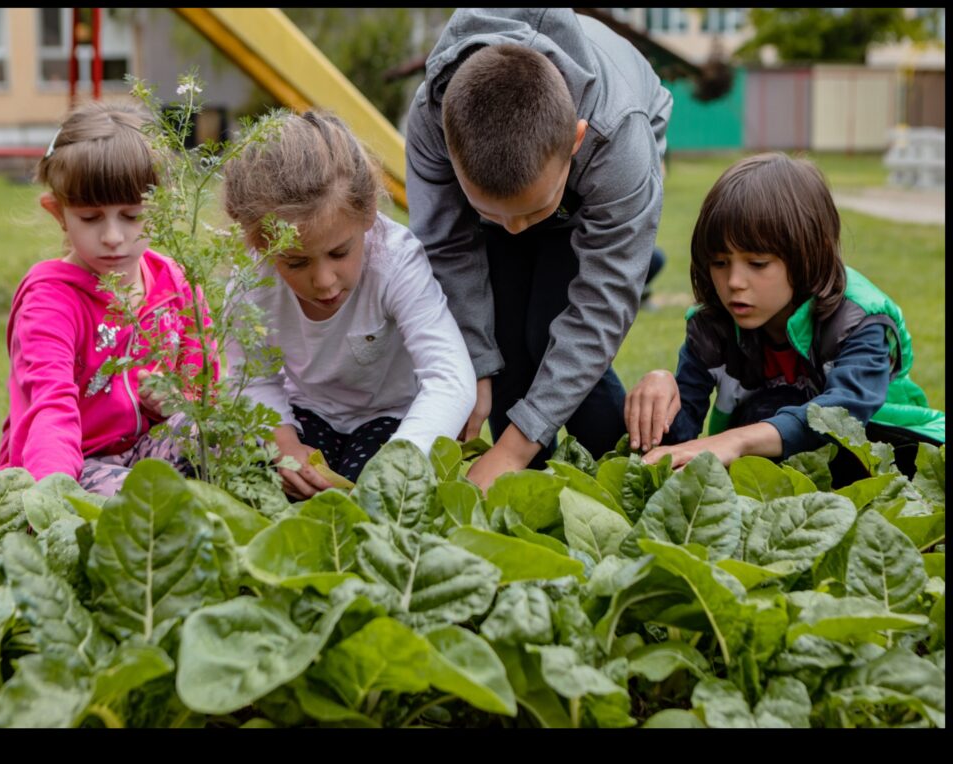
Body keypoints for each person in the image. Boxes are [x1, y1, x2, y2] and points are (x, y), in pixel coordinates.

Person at [405, 8, 673, 492]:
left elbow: (601, 306)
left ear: (575, 141)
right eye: (492, 214)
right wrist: (477, 369)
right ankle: (533, 490)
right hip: (540, 171)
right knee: (506, 341)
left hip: (612, 148)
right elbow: (446, 245)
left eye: (531, 212)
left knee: (550, 328)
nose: (512, 231)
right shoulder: (430, 118)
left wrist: (511, 448)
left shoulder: (617, 136)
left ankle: (633, 475)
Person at [624, 152, 945, 480]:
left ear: (809, 253)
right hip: (774, 474)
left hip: (886, 456)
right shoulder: (712, 328)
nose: (734, 282)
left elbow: (842, 416)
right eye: (720, 263)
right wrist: (662, 396)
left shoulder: (857, 320)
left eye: (757, 264)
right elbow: (681, 440)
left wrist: (734, 441)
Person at [222, 109, 476, 499]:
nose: (324, 281)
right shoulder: (250, 282)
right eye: (296, 262)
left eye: (340, 252)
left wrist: (398, 464)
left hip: (390, 419)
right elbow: (253, 379)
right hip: (304, 413)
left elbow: (450, 379)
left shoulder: (395, 262)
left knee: (370, 496)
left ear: (369, 214)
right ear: (259, 246)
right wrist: (284, 446)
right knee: (241, 475)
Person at [0, 100, 217, 496]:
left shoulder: (175, 281)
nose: (113, 236)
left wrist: (176, 401)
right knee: (134, 502)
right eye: (91, 217)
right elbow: (50, 408)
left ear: (162, 208)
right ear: (58, 213)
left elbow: (206, 381)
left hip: (148, 455)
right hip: (74, 464)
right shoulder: (50, 300)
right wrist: (54, 500)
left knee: (217, 438)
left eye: (132, 216)